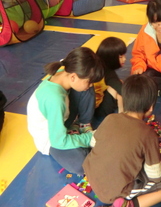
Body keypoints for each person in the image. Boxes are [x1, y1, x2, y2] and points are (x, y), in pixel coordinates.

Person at [83, 74, 161, 207]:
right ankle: (126, 203)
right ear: (151, 107)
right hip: (114, 192)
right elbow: (155, 176)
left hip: (91, 175)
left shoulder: (110, 118)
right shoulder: (148, 134)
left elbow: (93, 143)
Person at [27, 47, 104, 175]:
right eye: (89, 82)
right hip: (51, 139)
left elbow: (85, 77)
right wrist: (89, 138)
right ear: (73, 77)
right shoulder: (54, 99)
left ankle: (82, 125)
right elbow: (59, 141)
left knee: (86, 89)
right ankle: (79, 135)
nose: (91, 85)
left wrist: (86, 133)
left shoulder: (66, 69)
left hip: (63, 119)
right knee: (82, 164)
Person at [94, 37, 127, 122]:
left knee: (118, 86)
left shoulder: (97, 63)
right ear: (111, 58)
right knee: (118, 87)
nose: (124, 59)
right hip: (97, 111)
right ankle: (122, 113)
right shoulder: (108, 73)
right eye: (121, 57)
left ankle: (122, 112)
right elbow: (122, 90)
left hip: (87, 107)